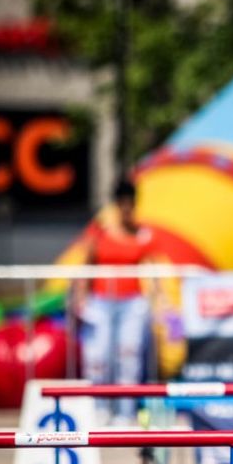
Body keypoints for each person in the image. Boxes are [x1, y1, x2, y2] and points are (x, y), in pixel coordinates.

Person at [73, 179, 157, 423]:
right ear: (117, 204)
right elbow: (86, 265)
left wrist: (162, 304)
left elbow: (153, 271)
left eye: (131, 204)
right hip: (100, 302)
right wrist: (80, 298)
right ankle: (98, 410)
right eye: (123, 204)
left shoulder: (143, 234)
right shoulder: (99, 231)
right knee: (98, 359)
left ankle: (125, 413)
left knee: (128, 359)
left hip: (132, 304)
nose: (127, 209)